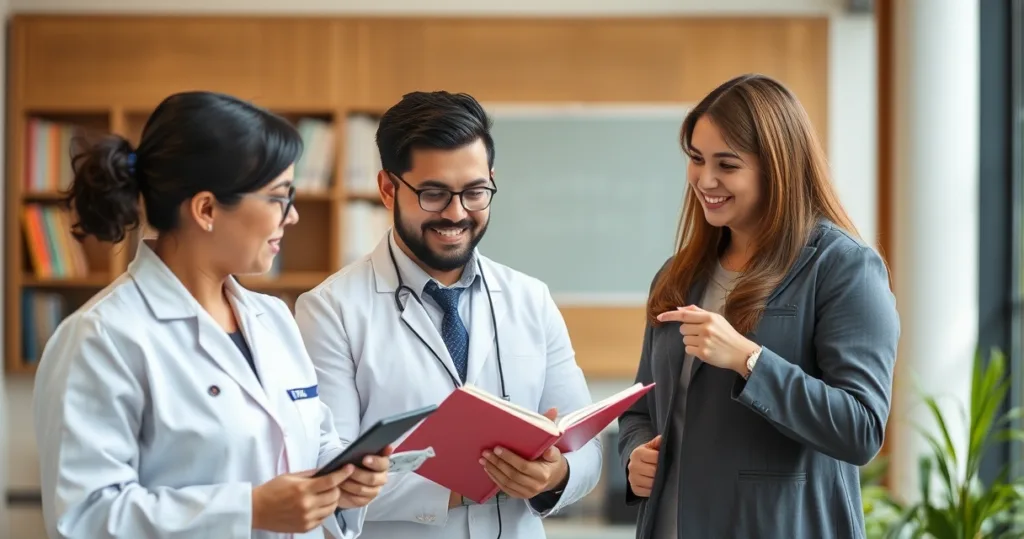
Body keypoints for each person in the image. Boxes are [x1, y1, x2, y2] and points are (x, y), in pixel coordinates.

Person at [32, 91, 390, 539]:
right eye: (279, 197)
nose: (293, 215)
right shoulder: (101, 337)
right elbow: (83, 518)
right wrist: (248, 510)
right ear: (206, 209)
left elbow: (310, 438)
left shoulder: (274, 318)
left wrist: (345, 478)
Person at [294, 90, 603, 539]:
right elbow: (328, 473)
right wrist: (468, 486)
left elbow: (586, 447)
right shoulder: (330, 310)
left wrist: (553, 477)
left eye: (475, 192)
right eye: (434, 194)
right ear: (387, 188)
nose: (456, 213)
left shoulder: (530, 299)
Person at [617, 73, 900, 539]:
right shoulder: (678, 275)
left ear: (777, 168)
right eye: (696, 159)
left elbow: (860, 428)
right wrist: (635, 455)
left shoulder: (844, 268)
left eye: (727, 165)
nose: (705, 180)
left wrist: (749, 360)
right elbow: (640, 408)